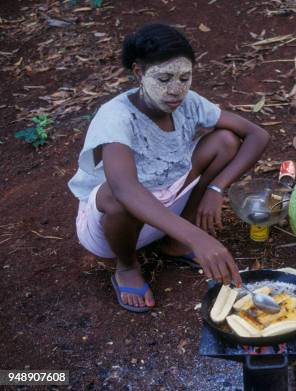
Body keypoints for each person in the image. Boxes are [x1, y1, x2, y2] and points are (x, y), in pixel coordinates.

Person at [68, 24, 270, 312]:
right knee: (114, 192)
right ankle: (127, 267)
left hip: (168, 203)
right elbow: (124, 190)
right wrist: (198, 236)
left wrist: (216, 188)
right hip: (117, 225)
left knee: (224, 141)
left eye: (184, 78)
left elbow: (257, 135)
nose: (175, 90)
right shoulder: (116, 116)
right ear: (138, 73)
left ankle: (175, 242)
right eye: (163, 78)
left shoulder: (187, 102)